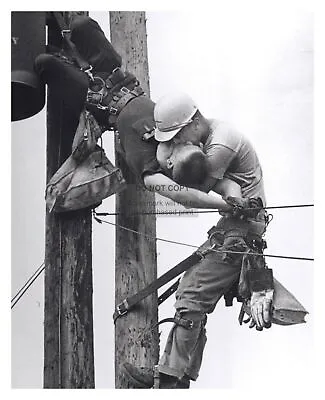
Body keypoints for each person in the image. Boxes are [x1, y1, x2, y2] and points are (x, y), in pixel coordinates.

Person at [122, 93, 275, 389]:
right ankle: (178, 375)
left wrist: (154, 161)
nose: (177, 144)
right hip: (232, 229)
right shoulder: (208, 138)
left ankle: (168, 378)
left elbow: (186, 186)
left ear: (193, 123)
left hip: (240, 234)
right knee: (190, 292)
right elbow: (224, 188)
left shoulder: (220, 144)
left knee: (192, 296)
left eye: (178, 136)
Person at [35, 14, 238, 214]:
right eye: (186, 143)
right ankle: (58, 35)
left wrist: (223, 206)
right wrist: (237, 201)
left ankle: (37, 43)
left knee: (44, 62)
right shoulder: (172, 136)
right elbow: (228, 185)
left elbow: (182, 196)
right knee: (81, 25)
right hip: (116, 76)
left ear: (170, 164)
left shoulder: (151, 172)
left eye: (179, 148)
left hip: (96, 101)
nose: (178, 141)